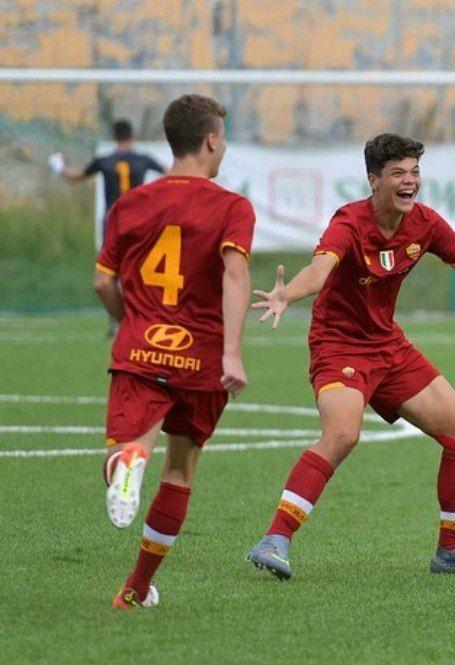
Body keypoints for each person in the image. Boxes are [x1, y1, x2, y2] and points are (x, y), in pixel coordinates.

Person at [245, 133, 455, 580]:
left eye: (415, 172)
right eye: (399, 173)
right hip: (339, 347)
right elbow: (319, 271)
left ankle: (452, 554)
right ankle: (275, 539)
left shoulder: (426, 224)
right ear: (373, 180)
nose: (410, 181)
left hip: (389, 348)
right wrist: (289, 293)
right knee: (343, 434)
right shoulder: (348, 223)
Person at [94, 94, 255, 608]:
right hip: (203, 355)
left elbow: (102, 282)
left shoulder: (131, 203)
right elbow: (234, 274)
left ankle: (129, 460)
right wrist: (232, 352)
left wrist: (131, 324)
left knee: (130, 451)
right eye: (223, 138)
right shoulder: (232, 207)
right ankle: (136, 589)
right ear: (211, 140)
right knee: (181, 470)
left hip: (141, 350)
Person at [51, 119, 165, 335]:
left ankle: (116, 320)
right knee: (139, 267)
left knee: (110, 271)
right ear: (132, 135)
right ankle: (144, 315)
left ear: (115, 136)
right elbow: (169, 174)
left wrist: (59, 167)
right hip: (139, 221)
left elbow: (77, 177)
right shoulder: (142, 159)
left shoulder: (105, 160)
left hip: (114, 222)